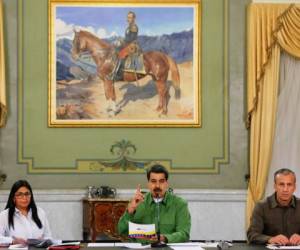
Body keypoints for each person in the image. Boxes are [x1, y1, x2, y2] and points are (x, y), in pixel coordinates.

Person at [117, 164, 191, 243]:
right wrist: (130, 212)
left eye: (161, 181)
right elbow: (122, 231)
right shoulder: (138, 202)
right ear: (148, 184)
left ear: (167, 184)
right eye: (153, 181)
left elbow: (184, 234)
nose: (157, 185)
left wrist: (165, 238)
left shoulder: (179, 204)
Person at [247, 168, 300, 245]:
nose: (285, 189)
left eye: (289, 184)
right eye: (281, 184)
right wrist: (270, 239)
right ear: (275, 186)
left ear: (294, 187)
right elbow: (252, 235)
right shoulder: (261, 207)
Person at [0, 180, 52, 245]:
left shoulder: (40, 212)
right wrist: (12, 241)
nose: (24, 198)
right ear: (13, 198)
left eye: (27, 194)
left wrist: (44, 241)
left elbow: (49, 237)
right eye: (19, 194)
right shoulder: (4, 215)